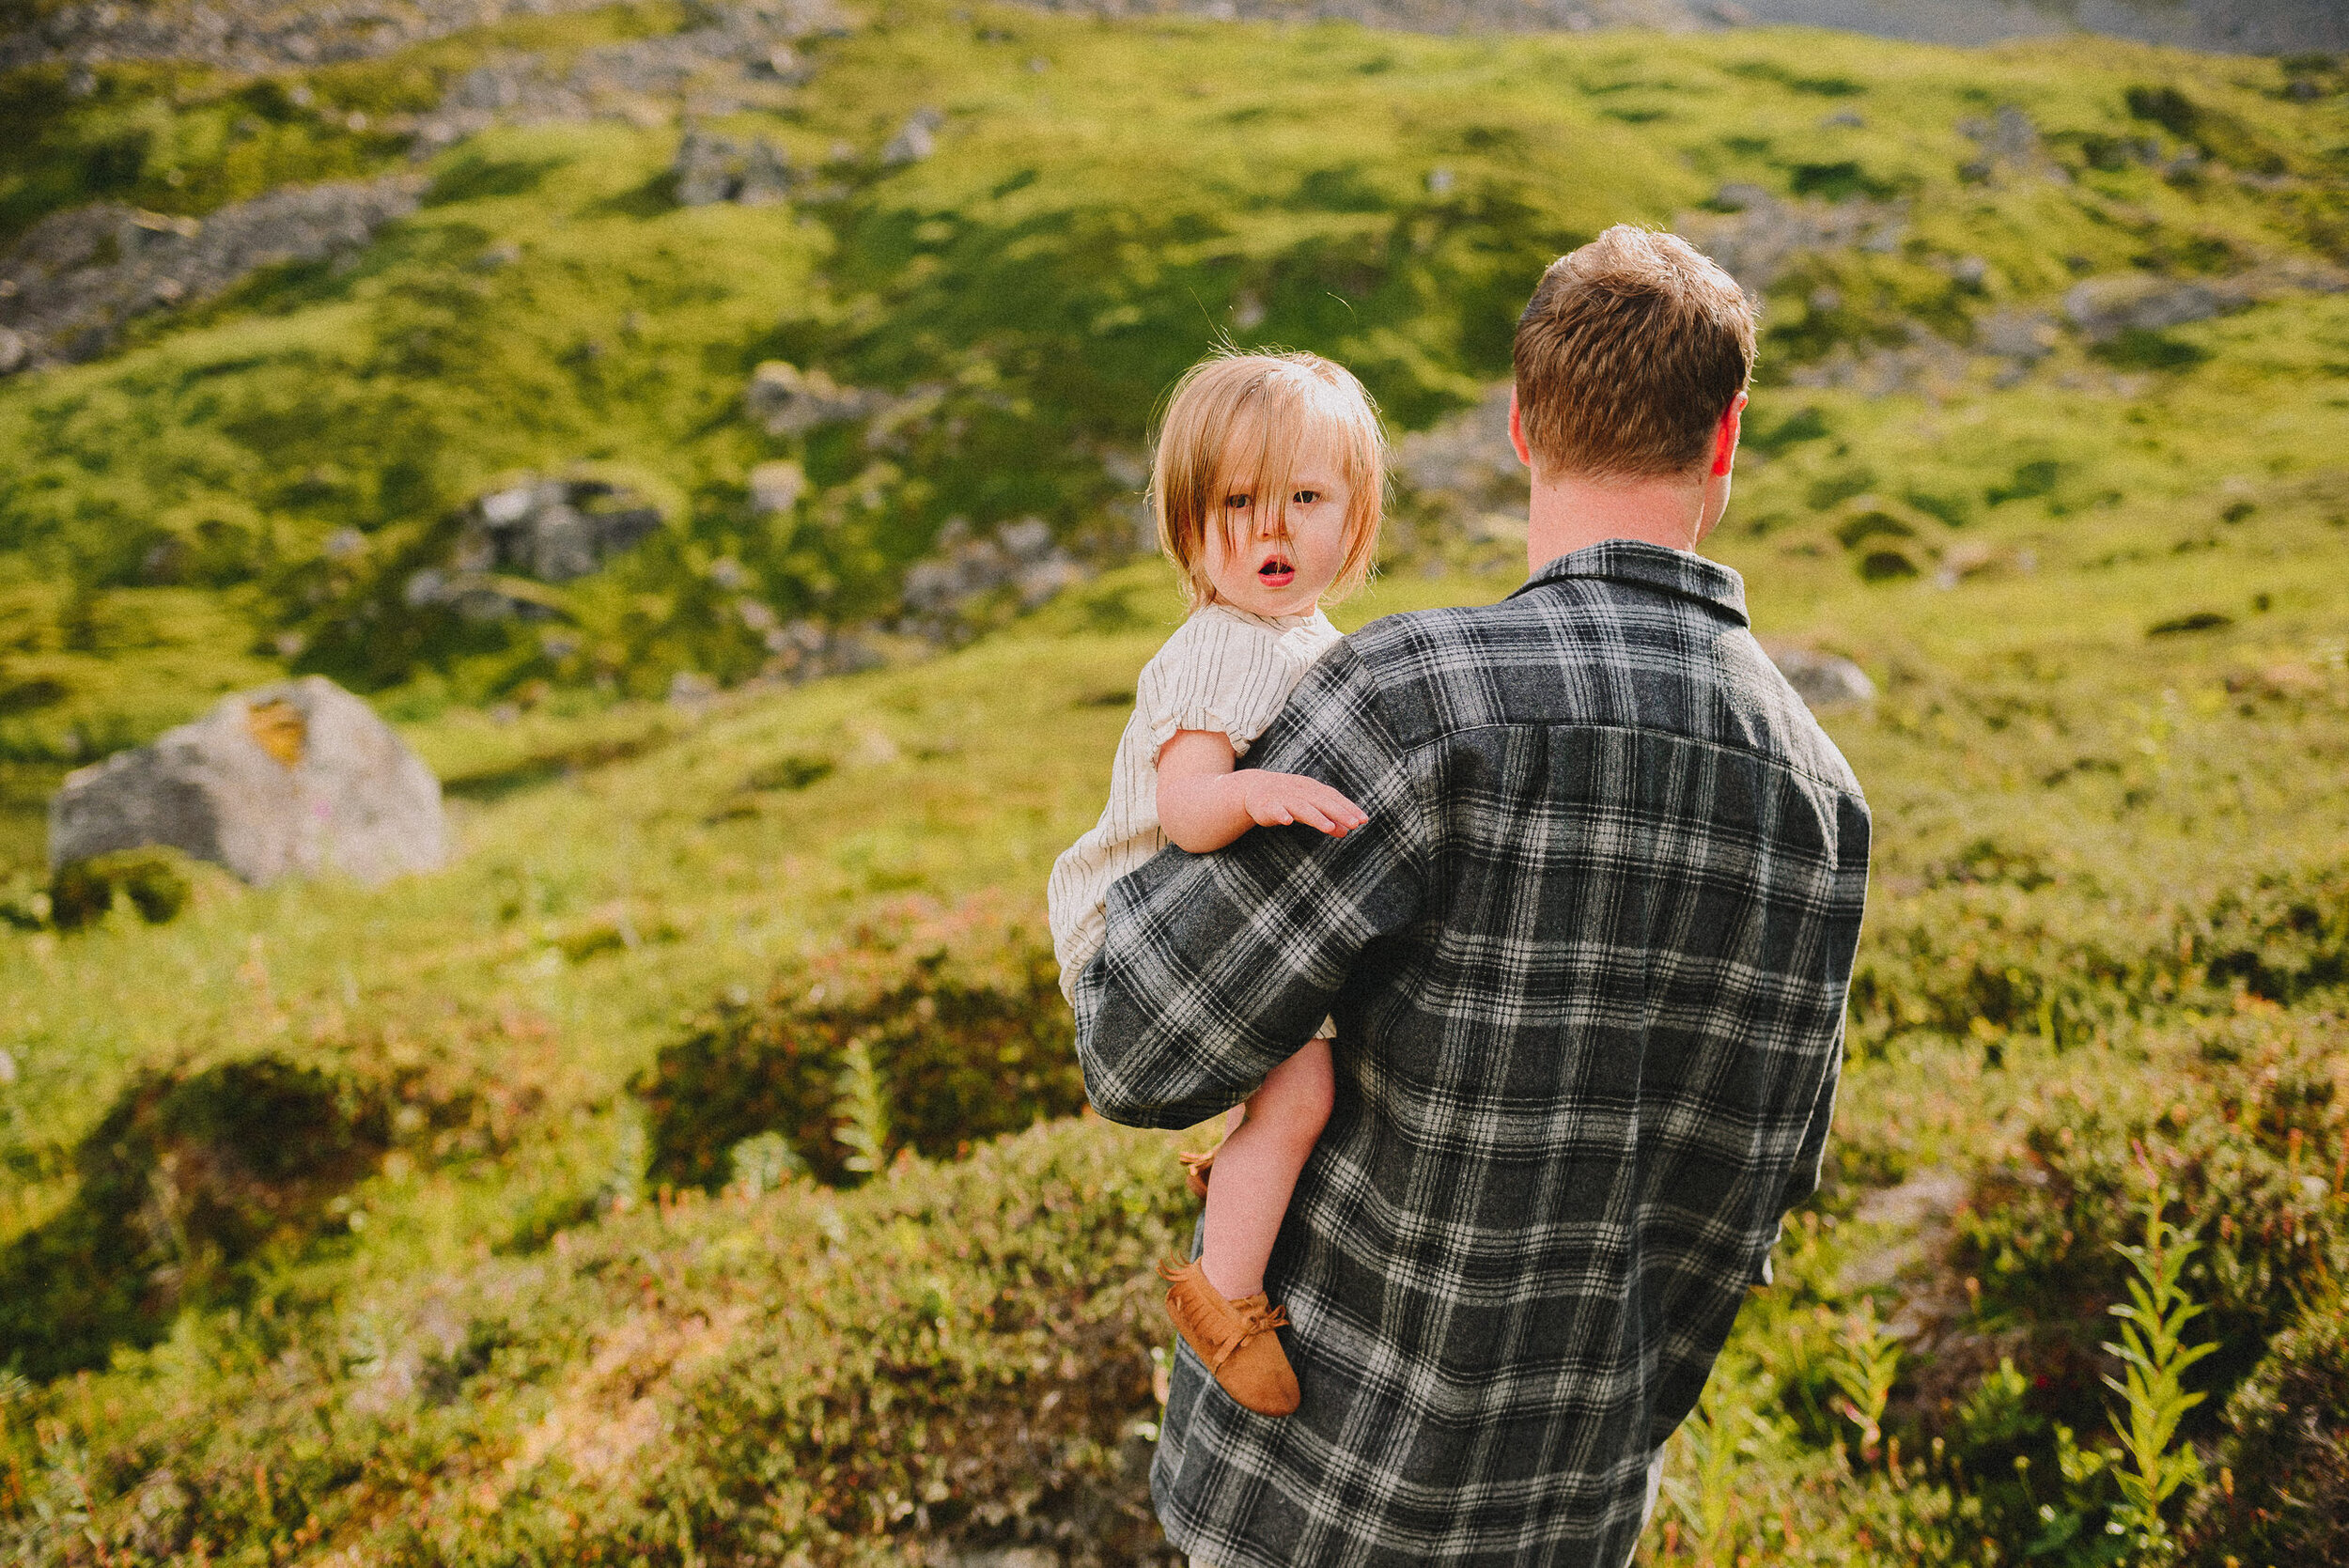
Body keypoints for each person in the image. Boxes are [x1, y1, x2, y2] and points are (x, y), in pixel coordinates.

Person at [1071, 225, 1871, 1568]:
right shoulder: (1823, 799)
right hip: (1575, 1519)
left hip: (1309, 1506)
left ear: (1521, 424)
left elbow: (1137, 1051)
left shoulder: (1411, 700)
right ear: (1725, 439)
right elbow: (1754, 1202)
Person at [1048, 349, 1388, 1419]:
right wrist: (1265, 792)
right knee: (1306, 1092)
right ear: (1189, 524)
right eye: (1236, 502)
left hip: (1211, 928)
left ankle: (1244, 1180)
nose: (1272, 531)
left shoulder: (1304, 641)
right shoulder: (1220, 645)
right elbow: (1191, 806)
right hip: (1137, 930)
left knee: (1305, 1095)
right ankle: (1219, 1290)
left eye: (1305, 497)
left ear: (1355, 515)